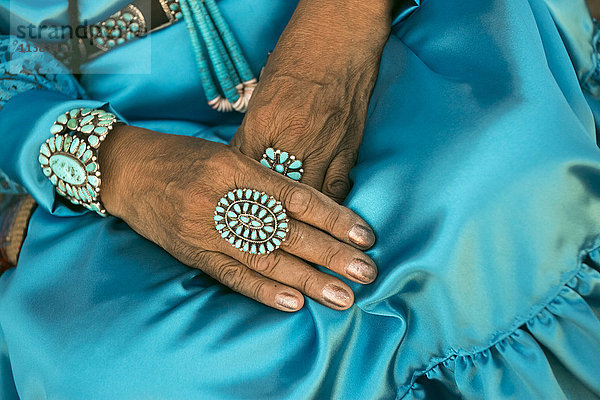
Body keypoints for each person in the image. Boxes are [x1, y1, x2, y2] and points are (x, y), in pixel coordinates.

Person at [1, 0, 599, 398]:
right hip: (122, 137)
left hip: (391, 24)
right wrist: (110, 164)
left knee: (504, 191)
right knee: (110, 367)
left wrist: (339, 25)